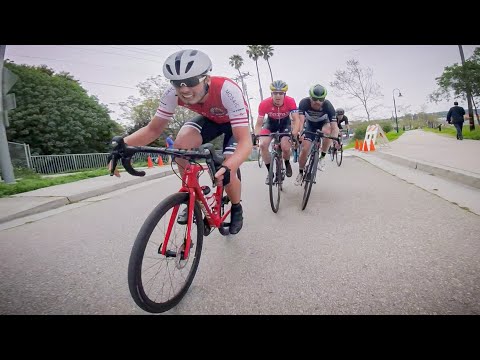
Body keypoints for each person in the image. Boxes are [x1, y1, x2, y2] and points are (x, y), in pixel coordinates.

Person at [109, 49, 252, 235]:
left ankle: (236, 207)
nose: (184, 90)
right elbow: (153, 129)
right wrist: (121, 146)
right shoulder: (172, 93)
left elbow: (245, 142)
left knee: (227, 165)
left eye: (192, 82)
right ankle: (196, 194)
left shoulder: (227, 90)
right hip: (210, 121)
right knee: (180, 146)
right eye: (178, 84)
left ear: (207, 79)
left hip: (234, 125)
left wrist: (230, 165)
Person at [254, 80, 300, 184]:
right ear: (271, 94)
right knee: (263, 145)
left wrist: (295, 133)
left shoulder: (290, 101)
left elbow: (296, 119)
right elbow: (259, 123)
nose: (278, 96)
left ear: (285, 94)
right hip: (270, 125)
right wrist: (256, 135)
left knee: (285, 147)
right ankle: (270, 172)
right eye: (275, 93)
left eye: (280, 93)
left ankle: (287, 163)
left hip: (285, 125)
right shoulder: (264, 104)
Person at [294, 84, 337, 186]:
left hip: (324, 124)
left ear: (324, 99)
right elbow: (301, 121)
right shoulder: (304, 103)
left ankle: (322, 157)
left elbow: (334, 126)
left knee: (328, 131)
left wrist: (335, 138)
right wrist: (300, 133)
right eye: (314, 99)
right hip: (310, 125)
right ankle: (300, 172)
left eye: (321, 99)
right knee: (305, 149)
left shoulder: (328, 105)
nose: (318, 102)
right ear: (310, 97)